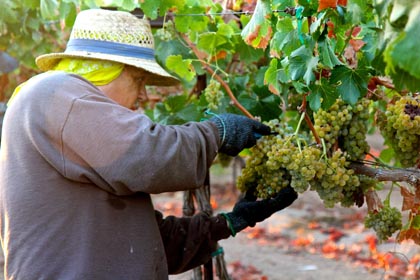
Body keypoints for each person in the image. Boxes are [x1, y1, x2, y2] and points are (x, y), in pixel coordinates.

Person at [0, 8, 298, 279]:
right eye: (139, 80)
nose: (143, 96)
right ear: (107, 68)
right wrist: (216, 132)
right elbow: (147, 155)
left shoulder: (78, 131)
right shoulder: (52, 93)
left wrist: (229, 223)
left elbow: (142, 244)